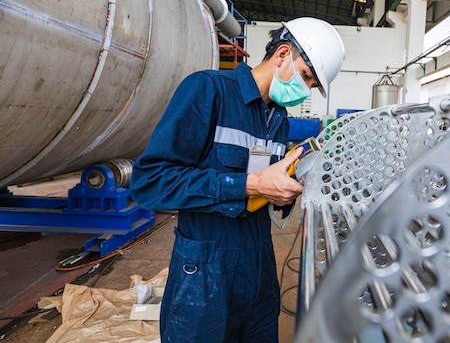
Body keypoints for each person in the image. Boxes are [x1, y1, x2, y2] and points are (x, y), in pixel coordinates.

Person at [130, 17, 345, 343]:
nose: (305, 90)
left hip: (257, 265)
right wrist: (248, 185)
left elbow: (266, 186)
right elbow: (151, 181)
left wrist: (282, 193)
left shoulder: (279, 121)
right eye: (305, 77)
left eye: (312, 86)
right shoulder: (208, 91)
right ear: (283, 54)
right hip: (204, 268)